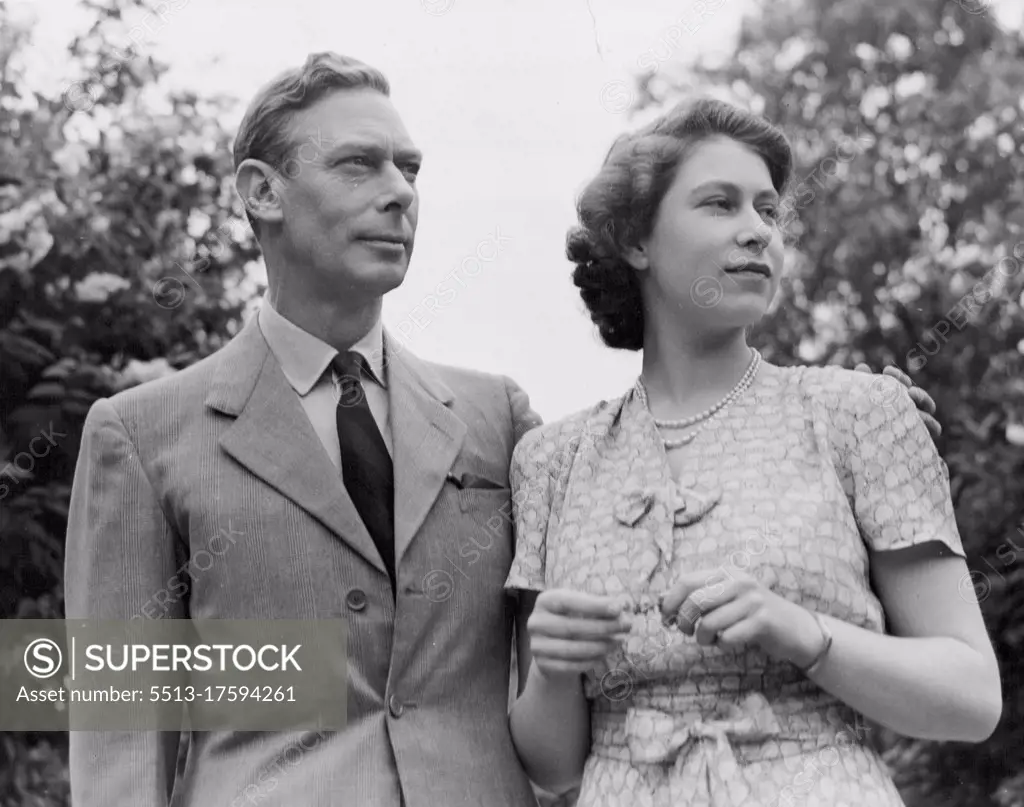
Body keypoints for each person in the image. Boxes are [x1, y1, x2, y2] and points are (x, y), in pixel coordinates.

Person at [63, 54, 942, 806]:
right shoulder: (139, 435)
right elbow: (116, 729)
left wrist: (844, 411)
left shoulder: (501, 418)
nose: (400, 193)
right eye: (360, 165)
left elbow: (648, 464)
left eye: (411, 168)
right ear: (262, 193)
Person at [504, 98, 1002, 807]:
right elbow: (551, 767)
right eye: (720, 204)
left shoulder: (860, 413)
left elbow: (971, 698)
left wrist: (803, 632)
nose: (757, 233)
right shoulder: (548, 461)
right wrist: (553, 670)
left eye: (767, 211)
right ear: (636, 242)